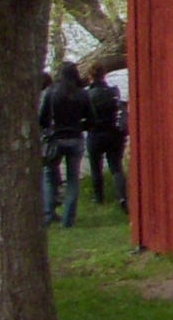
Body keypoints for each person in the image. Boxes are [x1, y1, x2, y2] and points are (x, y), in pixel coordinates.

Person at [37, 61, 86, 228]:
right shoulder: (81, 93)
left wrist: (49, 129)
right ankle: (68, 220)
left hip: (55, 138)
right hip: (75, 138)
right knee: (73, 179)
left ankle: (49, 213)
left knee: (49, 176)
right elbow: (92, 119)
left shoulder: (50, 92)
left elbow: (42, 119)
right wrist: (79, 126)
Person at [84, 65, 126, 214]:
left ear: (90, 77)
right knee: (116, 167)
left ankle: (98, 197)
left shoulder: (88, 95)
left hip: (95, 134)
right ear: (104, 76)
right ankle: (122, 196)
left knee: (96, 168)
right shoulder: (113, 91)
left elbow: (85, 115)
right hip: (113, 133)